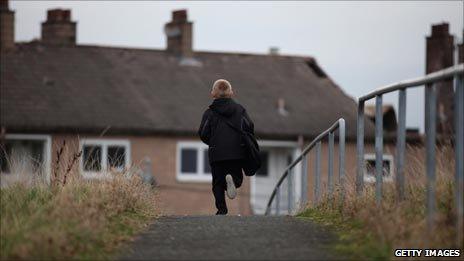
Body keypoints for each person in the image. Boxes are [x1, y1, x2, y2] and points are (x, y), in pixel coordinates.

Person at [198, 79, 255, 215]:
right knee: (237, 179)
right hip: (236, 152)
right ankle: (233, 179)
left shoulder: (209, 113)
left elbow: (203, 133)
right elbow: (249, 126)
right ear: (231, 93)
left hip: (216, 153)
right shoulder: (240, 110)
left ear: (213, 94)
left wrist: (212, 142)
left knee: (217, 183)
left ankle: (221, 209)